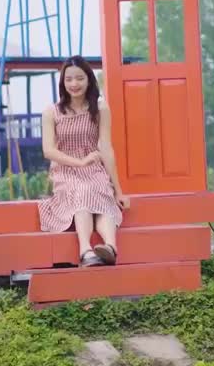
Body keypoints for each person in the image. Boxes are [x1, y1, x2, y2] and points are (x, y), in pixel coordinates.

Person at [38, 55, 130, 267]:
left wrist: (118, 190)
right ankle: (85, 250)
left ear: (89, 80)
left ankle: (110, 247)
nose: (74, 84)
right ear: (63, 82)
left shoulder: (100, 108)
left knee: (101, 191)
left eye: (79, 78)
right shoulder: (51, 112)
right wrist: (79, 163)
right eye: (69, 79)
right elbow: (48, 151)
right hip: (65, 171)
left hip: (94, 169)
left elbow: (106, 147)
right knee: (82, 191)